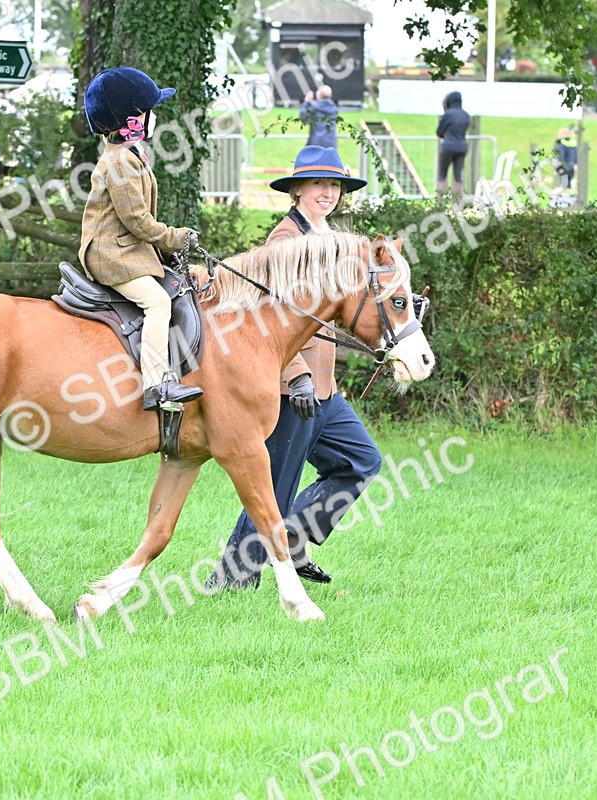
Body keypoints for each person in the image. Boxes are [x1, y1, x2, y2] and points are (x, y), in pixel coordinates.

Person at [208, 145, 383, 589]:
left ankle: (294, 536)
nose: (328, 193)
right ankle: (232, 581)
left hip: (326, 390)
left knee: (360, 460)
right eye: (319, 184)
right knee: (275, 488)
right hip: (291, 388)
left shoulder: (333, 239)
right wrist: (298, 376)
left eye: (335, 185)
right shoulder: (286, 242)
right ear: (297, 189)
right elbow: (272, 318)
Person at [80, 66, 202, 411]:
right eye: (150, 112)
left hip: (125, 249)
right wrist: (178, 238)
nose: (155, 118)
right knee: (158, 303)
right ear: (132, 119)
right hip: (111, 255)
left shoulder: (127, 156)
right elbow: (137, 221)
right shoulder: (120, 163)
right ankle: (157, 384)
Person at [435, 91, 471, 197]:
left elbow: (439, 132)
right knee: (458, 176)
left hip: (448, 147)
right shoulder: (466, 115)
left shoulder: (448, 115)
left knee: (442, 175)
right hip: (462, 147)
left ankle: (440, 202)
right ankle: (457, 203)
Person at [554, 127, 578, 191]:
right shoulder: (573, 143)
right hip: (571, 167)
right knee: (568, 185)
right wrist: (576, 164)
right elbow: (576, 155)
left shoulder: (561, 144)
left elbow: (560, 156)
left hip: (564, 167)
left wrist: (558, 167)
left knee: (564, 186)